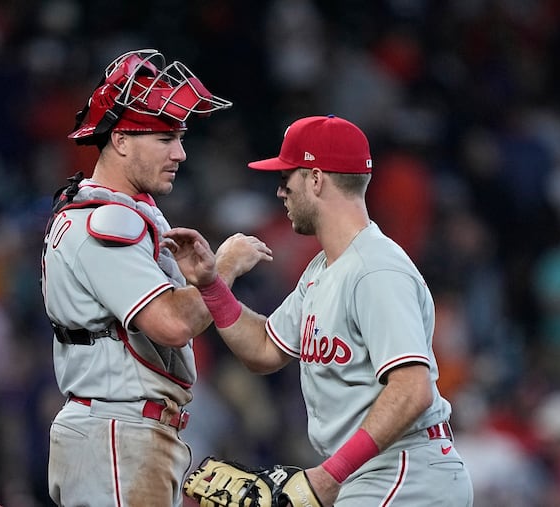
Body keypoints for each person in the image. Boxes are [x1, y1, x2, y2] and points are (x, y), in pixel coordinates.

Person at [164, 115, 474, 506]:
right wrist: (211, 284)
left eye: (285, 180)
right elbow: (263, 349)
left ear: (315, 179)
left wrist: (330, 475)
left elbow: (413, 390)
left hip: (404, 471)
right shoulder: (324, 269)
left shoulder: (375, 269)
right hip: (374, 470)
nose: (280, 193)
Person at [40, 49, 272, 506]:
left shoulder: (124, 211)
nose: (180, 152)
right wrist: (222, 268)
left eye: (180, 137)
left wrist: (202, 279)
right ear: (122, 140)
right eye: (165, 137)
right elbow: (171, 324)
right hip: (116, 434)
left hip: (123, 432)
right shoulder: (104, 220)